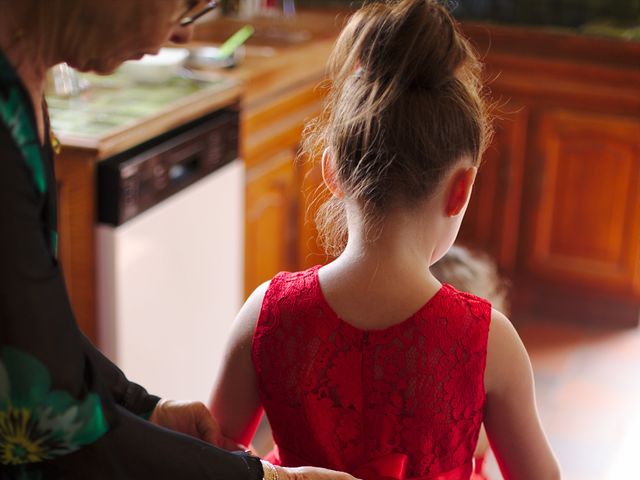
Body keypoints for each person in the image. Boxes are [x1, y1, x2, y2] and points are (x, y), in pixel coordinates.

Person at [0, 1, 359, 479]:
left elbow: (32, 339)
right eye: (186, 6)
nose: (183, 37)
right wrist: (265, 478)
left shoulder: (23, 78)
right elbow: (54, 425)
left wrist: (145, 408)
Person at [211, 1, 561, 479]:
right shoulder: (491, 342)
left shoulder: (266, 313)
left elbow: (207, 458)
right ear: (461, 188)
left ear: (332, 171)